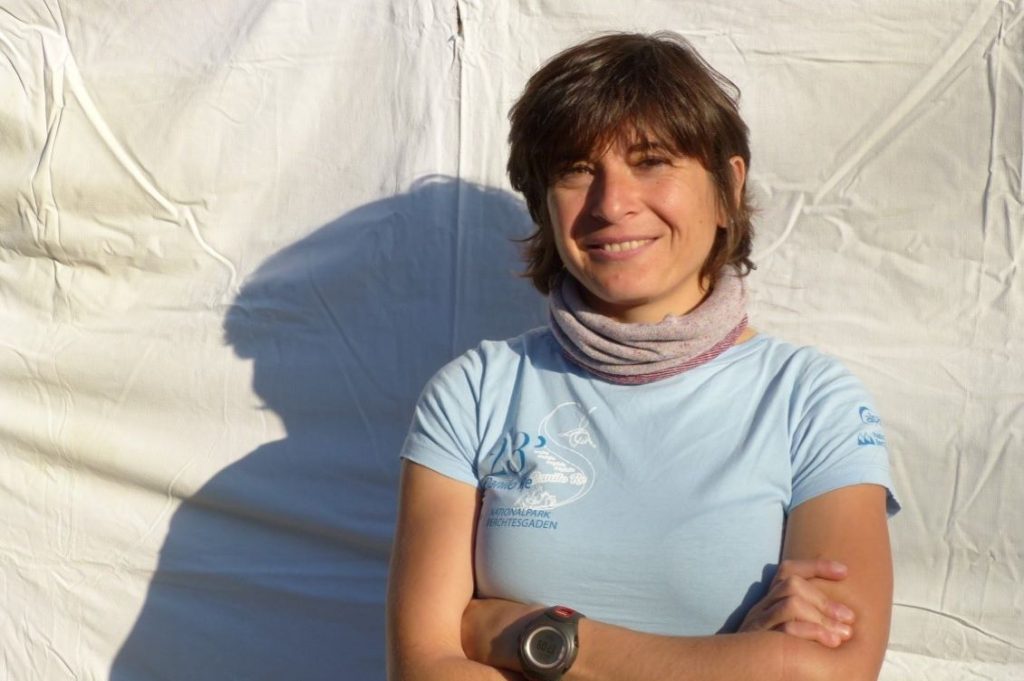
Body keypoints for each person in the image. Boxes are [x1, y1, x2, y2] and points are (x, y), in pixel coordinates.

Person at [387, 32, 899, 681]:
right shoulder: (474, 392)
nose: (611, 203)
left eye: (652, 161)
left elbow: (823, 674)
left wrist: (529, 635)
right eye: (576, 169)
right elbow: (424, 669)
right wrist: (733, 662)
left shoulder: (813, 403)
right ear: (543, 204)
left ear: (728, 188)